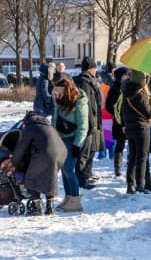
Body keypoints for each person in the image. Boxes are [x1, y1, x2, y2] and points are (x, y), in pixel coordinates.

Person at [1, 111, 67, 216]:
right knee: (49, 178)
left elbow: (21, 148)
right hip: (61, 154)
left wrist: (13, 163)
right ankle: (50, 208)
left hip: (45, 154)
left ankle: (37, 209)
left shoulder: (31, 127)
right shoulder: (49, 127)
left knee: (31, 178)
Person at [122, 70, 151, 195]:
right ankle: (140, 185)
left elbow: (122, 111)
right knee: (142, 157)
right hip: (142, 128)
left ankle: (130, 184)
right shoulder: (140, 95)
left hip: (130, 128)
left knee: (132, 157)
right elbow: (150, 113)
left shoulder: (126, 92)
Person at [51, 75, 89, 212]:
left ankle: (75, 199)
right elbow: (55, 119)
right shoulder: (60, 101)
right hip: (61, 139)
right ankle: (68, 197)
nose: (56, 94)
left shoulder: (80, 102)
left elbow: (83, 126)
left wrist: (77, 145)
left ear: (66, 91)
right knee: (63, 170)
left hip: (73, 140)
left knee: (68, 169)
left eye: (59, 92)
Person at [75, 57, 104, 189]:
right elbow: (87, 104)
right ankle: (81, 179)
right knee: (84, 152)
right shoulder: (84, 82)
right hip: (88, 122)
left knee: (91, 150)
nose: (96, 70)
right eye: (94, 67)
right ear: (90, 69)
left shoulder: (91, 80)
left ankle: (86, 175)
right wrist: (91, 123)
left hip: (94, 120)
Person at [105, 66, 128, 177]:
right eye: (125, 75)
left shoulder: (128, 86)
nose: (127, 76)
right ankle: (117, 168)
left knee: (131, 145)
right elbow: (108, 105)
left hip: (128, 120)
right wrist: (115, 110)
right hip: (119, 121)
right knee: (120, 145)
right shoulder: (114, 88)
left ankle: (130, 164)